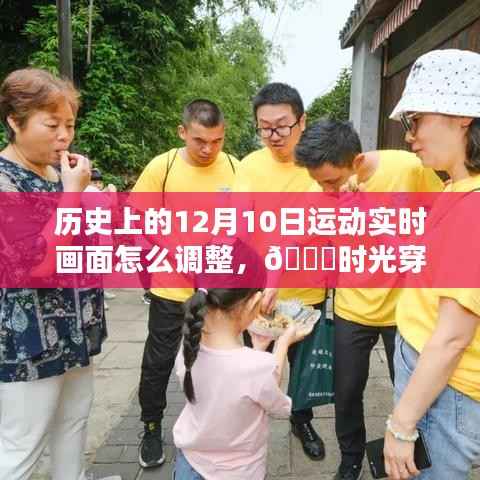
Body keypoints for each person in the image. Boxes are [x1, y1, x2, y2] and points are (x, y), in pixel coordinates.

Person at [294, 119, 444, 480]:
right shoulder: (320, 192)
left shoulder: (408, 169)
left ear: (357, 161)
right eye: (319, 182)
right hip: (351, 308)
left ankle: (413, 458)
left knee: (410, 393)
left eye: (332, 181)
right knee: (346, 393)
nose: (326, 190)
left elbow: (443, 217)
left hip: (403, 310)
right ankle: (350, 460)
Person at [0, 68, 119, 480]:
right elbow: (38, 264)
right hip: (29, 339)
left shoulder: (58, 174)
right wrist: (72, 195)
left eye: (69, 124)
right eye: (51, 126)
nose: (64, 136)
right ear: (15, 122)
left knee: (73, 424)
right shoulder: (6, 181)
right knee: (22, 445)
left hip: (75, 327)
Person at [383, 49, 480, 480]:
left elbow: (452, 337)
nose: (409, 136)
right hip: (429, 374)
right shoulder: (456, 187)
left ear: (463, 117)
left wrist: (401, 425)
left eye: (416, 119)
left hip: (446, 391)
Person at [131, 99, 239, 469]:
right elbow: (138, 218)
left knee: (219, 360)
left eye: (217, 140)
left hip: (217, 289)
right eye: (199, 141)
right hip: (170, 288)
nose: (209, 149)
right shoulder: (162, 167)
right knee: (159, 361)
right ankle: (150, 427)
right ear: (182, 132)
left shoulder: (235, 167)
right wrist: (173, 249)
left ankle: (215, 428)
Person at [233, 82, 326, 461]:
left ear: (302, 121)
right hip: (258, 290)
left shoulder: (318, 166)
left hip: (306, 285)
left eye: (282, 125)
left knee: (302, 364)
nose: (273, 135)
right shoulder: (250, 165)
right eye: (265, 127)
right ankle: (244, 423)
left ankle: (301, 420)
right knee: (253, 360)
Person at [173, 240, 312, 479]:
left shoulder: (189, 345)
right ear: (254, 303)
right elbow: (277, 405)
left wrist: (258, 348)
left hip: (189, 464)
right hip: (238, 472)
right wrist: (282, 343)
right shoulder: (256, 367)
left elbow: (233, 383)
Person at [84, 168, 117, 307]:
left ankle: (102, 291)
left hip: (100, 234)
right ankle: (99, 299)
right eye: (94, 182)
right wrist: (113, 191)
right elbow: (112, 203)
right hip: (97, 236)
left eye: (99, 182)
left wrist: (104, 191)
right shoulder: (90, 191)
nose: (97, 185)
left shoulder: (88, 191)